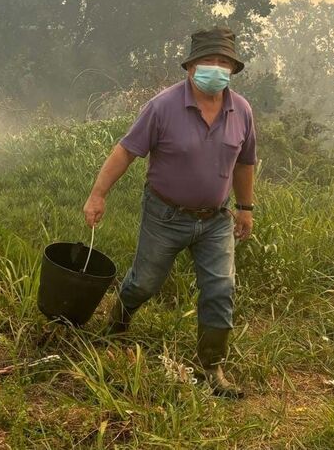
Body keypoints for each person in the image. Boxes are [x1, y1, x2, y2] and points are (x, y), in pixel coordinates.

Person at [82, 27, 256, 399]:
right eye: (208, 61)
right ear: (191, 67)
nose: (216, 68)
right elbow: (125, 151)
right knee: (145, 282)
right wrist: (98, 195)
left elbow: (245, 163)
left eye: (223, 62)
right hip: (165, 215)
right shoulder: (163, 106)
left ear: (233, 69)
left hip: (215, 220)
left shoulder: (241, 110)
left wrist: (245, 208)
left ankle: (213, 368)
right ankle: (118, 322)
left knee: (221, 288)